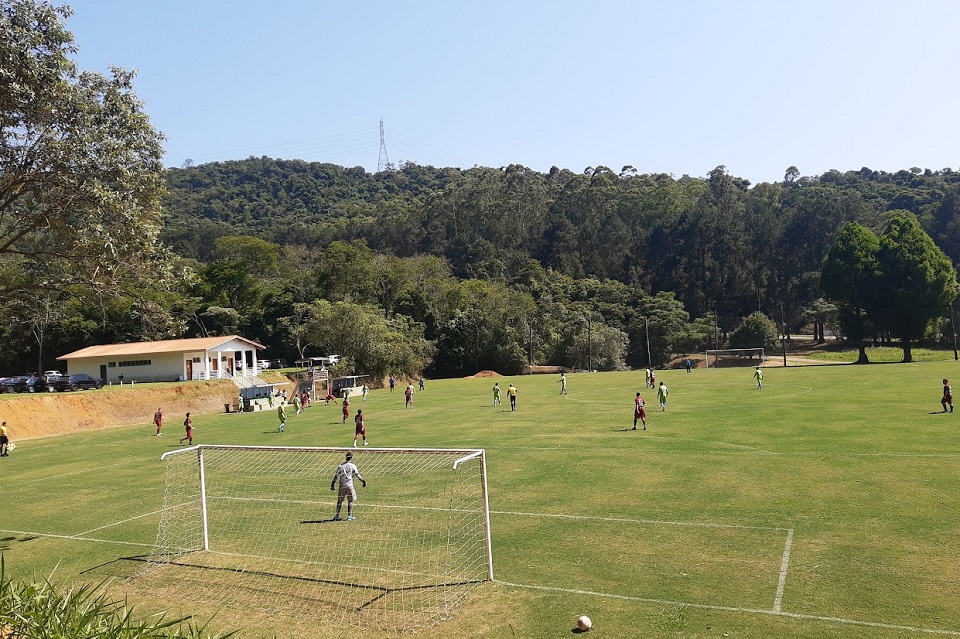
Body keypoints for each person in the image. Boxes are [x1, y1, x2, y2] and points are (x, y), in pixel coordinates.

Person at [330, 451, 366, 521]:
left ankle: (337, 515)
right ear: (351, 457)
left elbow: (336, 476)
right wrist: (363, 481)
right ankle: (349, 516)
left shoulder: (340, 466)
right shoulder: (353, 466)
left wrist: (332, 484)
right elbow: (358, 475)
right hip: (350, 485)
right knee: (350, 501)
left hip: (342, 485)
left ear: (346, 457)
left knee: (339, 501)